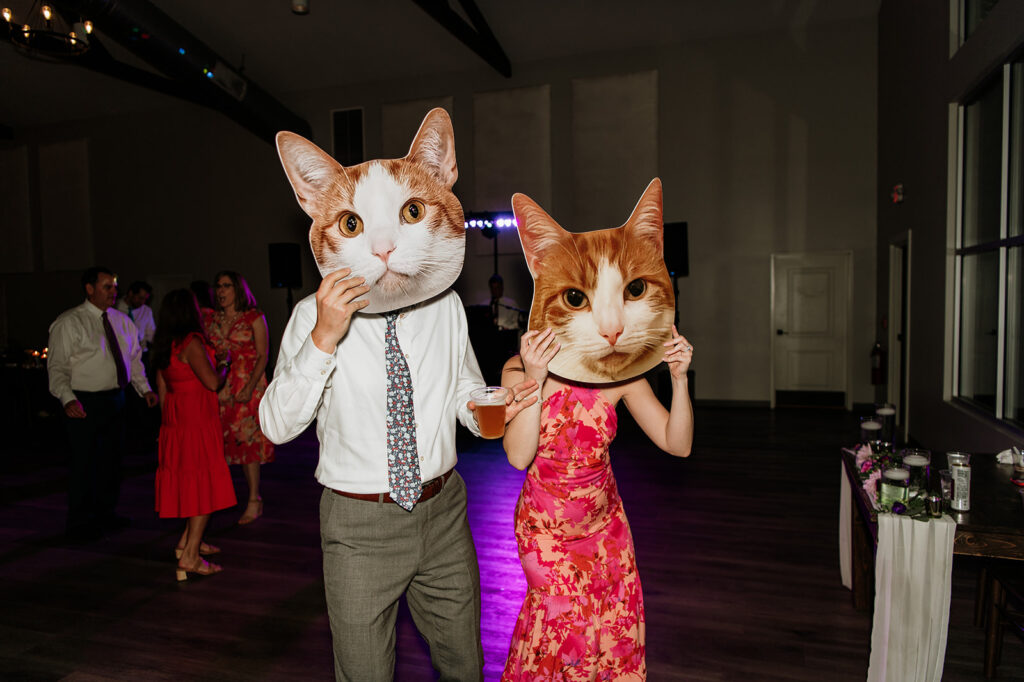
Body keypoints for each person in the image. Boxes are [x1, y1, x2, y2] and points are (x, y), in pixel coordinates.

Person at [260, 268, 539, 681]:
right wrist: (324, 337)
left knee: (465, 667)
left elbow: (464, 388)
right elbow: (276, 425)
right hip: (359, 528)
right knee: (364, 674)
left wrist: (483, 412)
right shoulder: (314, 313)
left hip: (444, 514)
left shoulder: (445, 304)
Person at [499, 325, 694, 680]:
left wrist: (679, 380)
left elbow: (677, 444)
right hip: (546, 535)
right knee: (562, 635)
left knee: (609, 632)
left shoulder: (617, 374)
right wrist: (535, 379)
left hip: (607, 532)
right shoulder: (518, 370)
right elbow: (517, 455)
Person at [47, 266, 159, 540]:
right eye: (107, 286)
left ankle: (105, 514)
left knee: (111, 461)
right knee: (85, 462)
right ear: (89, 289)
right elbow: (57, 367)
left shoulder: (121, 321)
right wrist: (67, 399)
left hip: (115, 399)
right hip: (84, 401)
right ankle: (79, 522)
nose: (114, 292)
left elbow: (133, 359)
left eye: (114, 286)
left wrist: (143, 388)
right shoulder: (69, 322)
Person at [151, 289, 237, 580]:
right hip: (197, 420)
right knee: (203, 487)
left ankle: (188, 542)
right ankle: (189, 558)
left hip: (176, 421)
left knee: (191, 482)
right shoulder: (191, 342)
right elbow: (212, 383)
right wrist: (224, 364)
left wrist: (168, 428)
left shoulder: (165, 344)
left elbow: (163, 389)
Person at [203, 270, 274, 525]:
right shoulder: (210, 319)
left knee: (247, 444)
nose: (221, 291)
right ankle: (218, 500)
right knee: (219, 444)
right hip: (220, 386)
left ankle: (254, 499)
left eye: (227, 286)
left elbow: (263, 355)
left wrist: (250, 386)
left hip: (248, 384)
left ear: (238, 290)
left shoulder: (253, 317)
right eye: (218, 286)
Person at [116, 281, 156, 351]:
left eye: (145, 299)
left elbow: (151, 334)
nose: (142, 302)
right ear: (131, 293)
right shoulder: (115, 307)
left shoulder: (146, 310)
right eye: (140, 298)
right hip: (122, 352)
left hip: (141, 353)